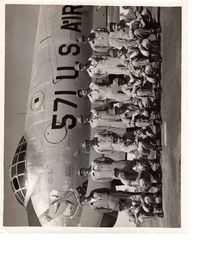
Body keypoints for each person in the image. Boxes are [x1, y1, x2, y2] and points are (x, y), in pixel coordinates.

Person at [80, 188, 160, 213]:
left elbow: (105, 189)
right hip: (117, 206)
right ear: (84, 203)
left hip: (116, 195)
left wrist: (113, 193)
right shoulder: (93, 207)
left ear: (84, 196)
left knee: (133, 196)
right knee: (135, 204)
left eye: (83, 199)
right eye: (83, 202)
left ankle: (153, 195)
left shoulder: (93, 192)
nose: (84, 200)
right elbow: (105, 210)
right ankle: (155, 206)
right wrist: (112, 208)